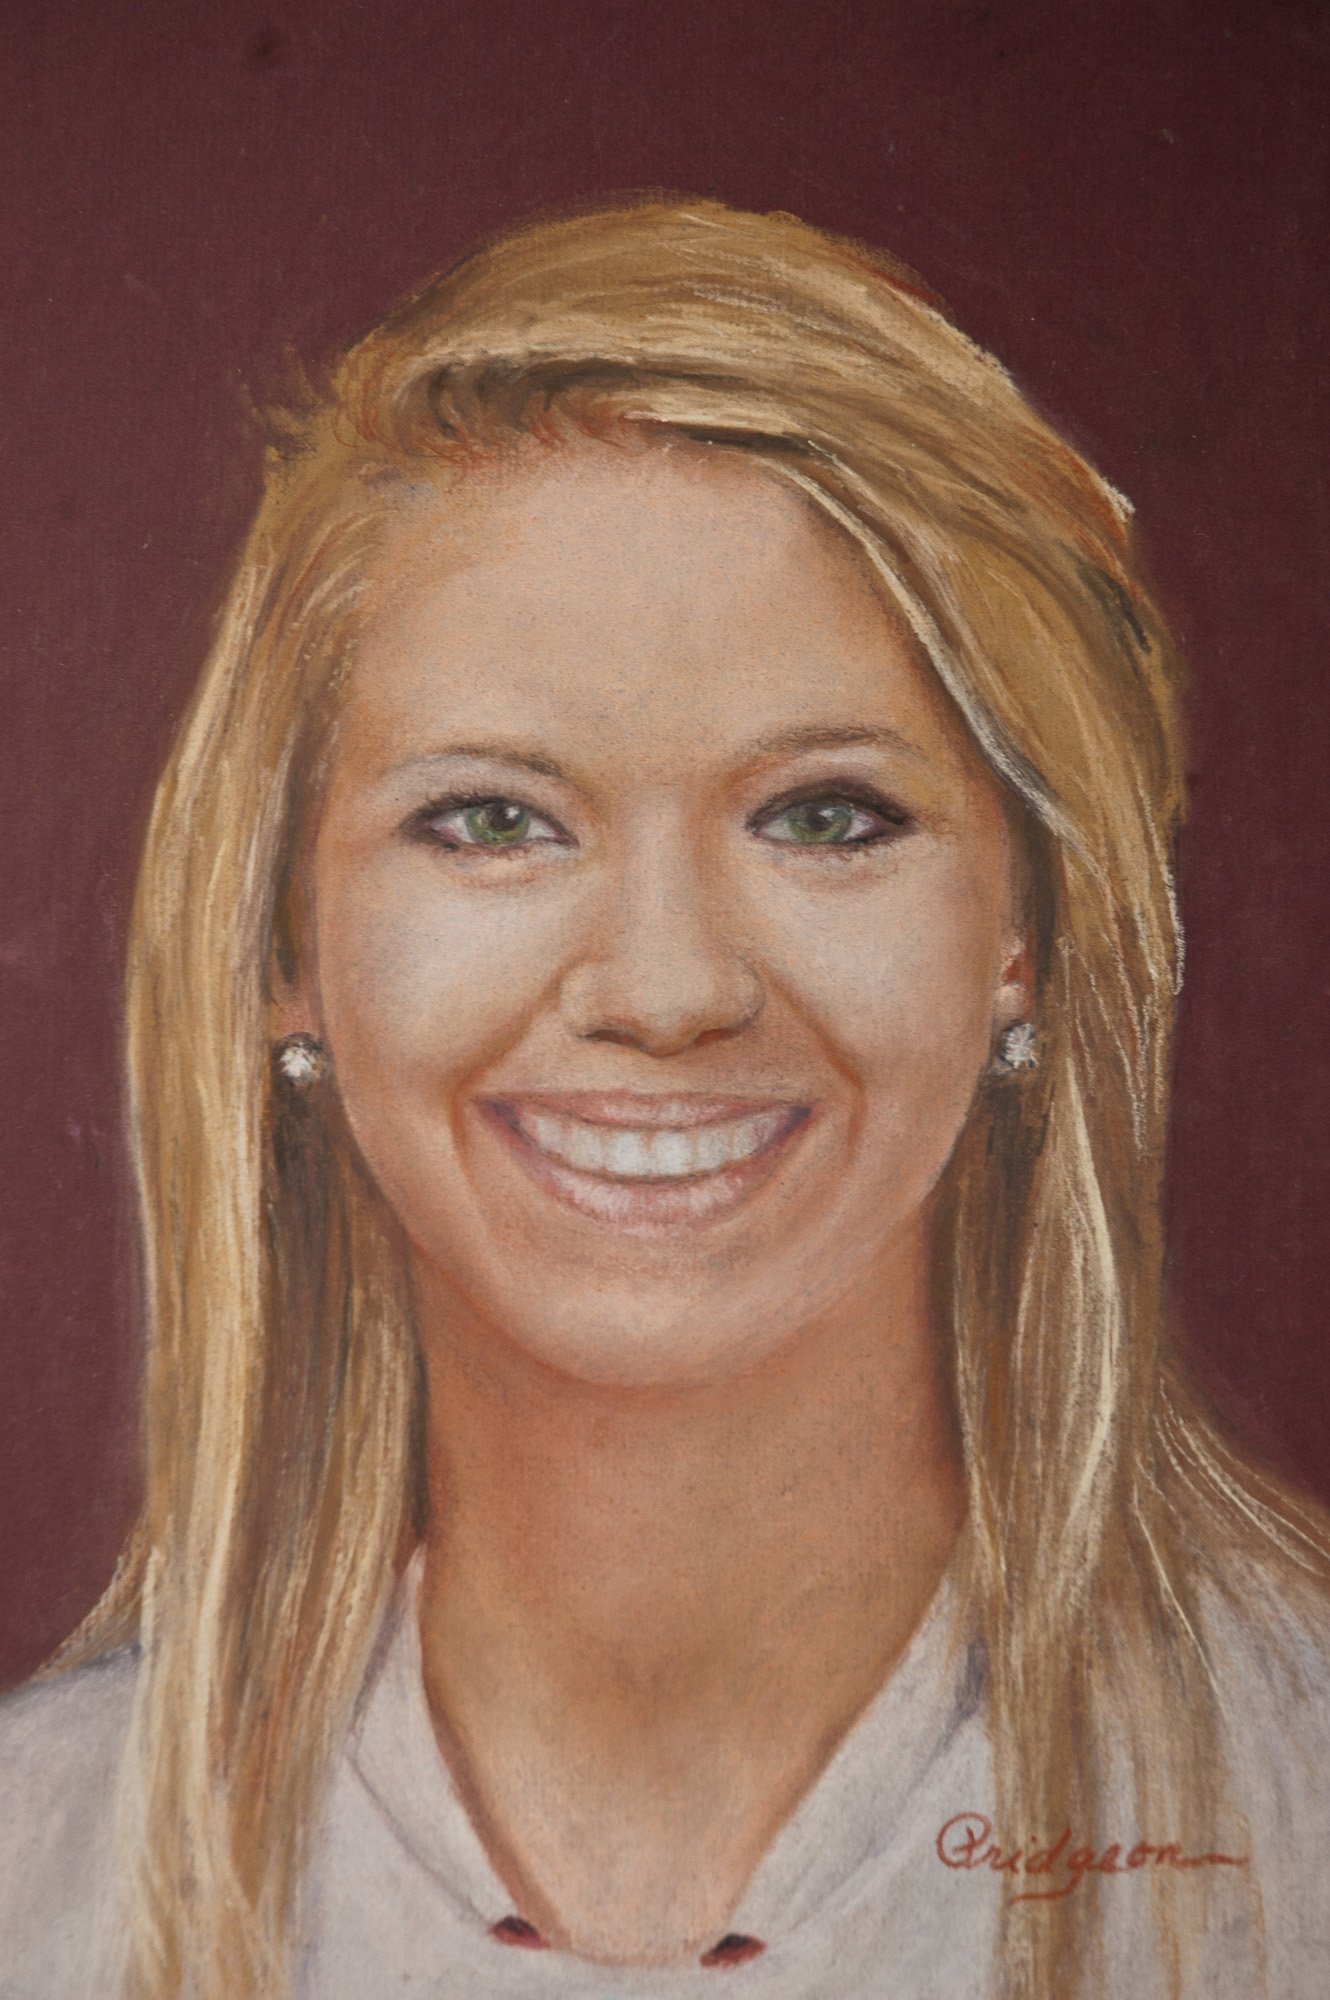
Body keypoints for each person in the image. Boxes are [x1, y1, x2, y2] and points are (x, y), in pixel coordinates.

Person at [1, 197, 1327, 2000]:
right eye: (491, 819)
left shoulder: (1290, 1809)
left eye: (825, 815)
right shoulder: (41, 1878)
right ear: (284, 949)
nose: (666, 987)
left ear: (1023, 931)